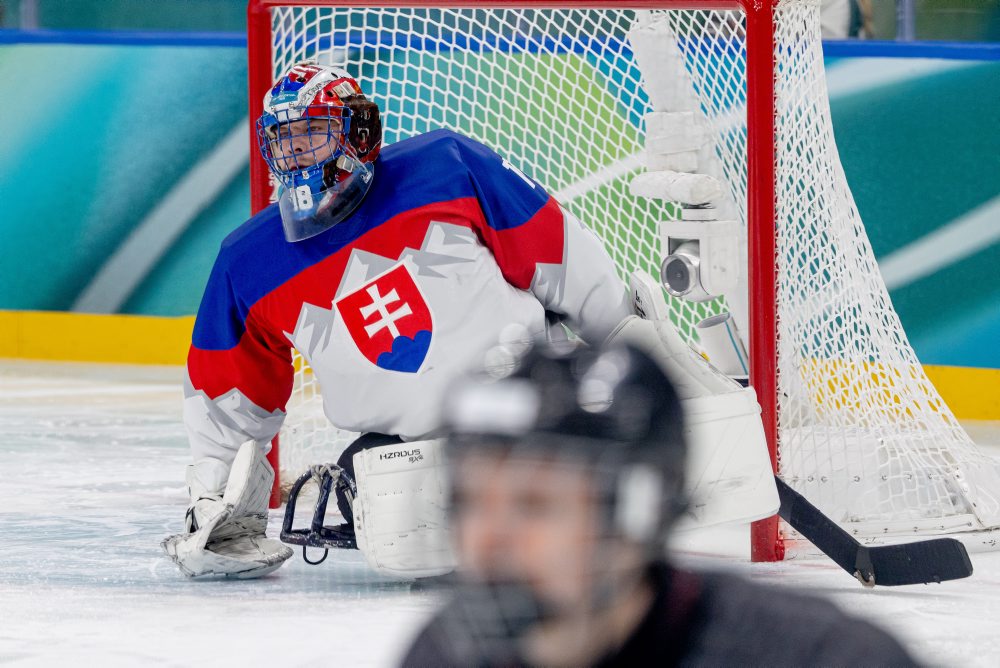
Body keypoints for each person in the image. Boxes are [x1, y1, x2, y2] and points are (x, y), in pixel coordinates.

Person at [161, 61, 633, 579]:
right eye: (284, 140)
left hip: (531, 419)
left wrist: (631, 349)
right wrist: (215, 493)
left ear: (358, 132)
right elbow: (228, 389)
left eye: (312, 134)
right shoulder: (248, 259)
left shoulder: (449, 166)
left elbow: (560, 255)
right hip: (394, 460)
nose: (294, 153)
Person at [401, 343, 921, 667]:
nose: (488, 538)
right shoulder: (443, 653)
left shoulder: (820, 657)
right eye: (470, 501)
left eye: (536, 504)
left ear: (641, 515)